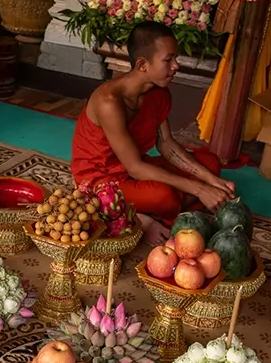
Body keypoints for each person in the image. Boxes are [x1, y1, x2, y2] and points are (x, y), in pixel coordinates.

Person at [71, 22, 236, 240]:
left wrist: (209, 180)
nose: (176, 65)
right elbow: (136, 168)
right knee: (163, 197)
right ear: (142, 65)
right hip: (101, 180)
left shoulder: (159, 93)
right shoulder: (108, 102)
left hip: (134, 172)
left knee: (210, 163)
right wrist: (199, 189)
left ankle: (143, 211)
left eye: (175, 58)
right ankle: (140, 218)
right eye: (168, 60)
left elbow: (167, 145)